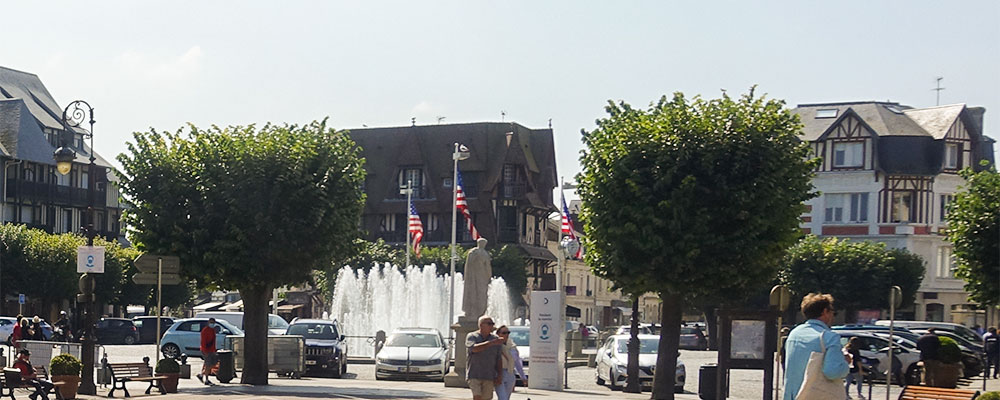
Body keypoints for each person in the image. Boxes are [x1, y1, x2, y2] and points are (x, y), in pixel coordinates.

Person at [783, 293, 849, 400]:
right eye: (832, 312)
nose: (833, 316)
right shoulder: (829, 337)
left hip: (792, 395)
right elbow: (832, 372)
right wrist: (846, 363)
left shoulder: (794, 334)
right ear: (824, 312)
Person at [466, 315, 503, 400]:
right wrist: (491, 343)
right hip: (474, 374)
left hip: (489, 375)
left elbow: (498, 359)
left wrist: (499, 375)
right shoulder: (472, 336)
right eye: (489, 324)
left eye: (492, 324)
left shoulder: (495, 338)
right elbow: (474, 348)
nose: (492, 326)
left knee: (486, 398)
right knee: (477, 396)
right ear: (481, 325)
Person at [493, 325, 526, 400]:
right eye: (504, 333)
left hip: (510, 373)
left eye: (508, 333)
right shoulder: (494, 344)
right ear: (498, 334)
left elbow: (517, 361)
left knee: (506, 398)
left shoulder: (512, 346)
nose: (506, 335)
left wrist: (523, 376)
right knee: (502, 398)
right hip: (499, 373)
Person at [197, 318, 218, 385]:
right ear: (208, 323)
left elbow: (214, 341)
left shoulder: (212, 330)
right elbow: (203, 341)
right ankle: (206, 379)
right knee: (208, 364)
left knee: (212, 363)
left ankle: (201, 374)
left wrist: (214, 350)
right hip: (206, 350)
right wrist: (205, 351)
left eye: (213, 323)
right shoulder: (205, 330)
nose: (212, 324)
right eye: (211, 322)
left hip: (211, 350)